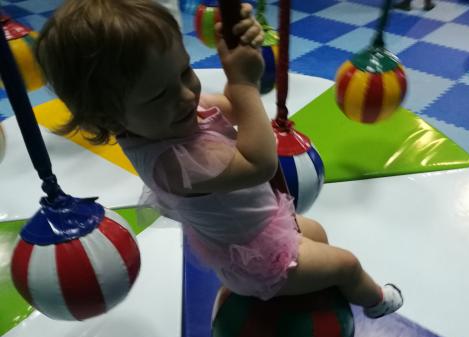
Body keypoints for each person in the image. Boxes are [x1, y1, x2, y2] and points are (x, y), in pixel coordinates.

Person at [34, 0, 403, 318]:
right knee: (346, 264)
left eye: (184, 72)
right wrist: (244, 83)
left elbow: (233, 109)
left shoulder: (162, 118)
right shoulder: (172, 164)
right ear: (108, 119)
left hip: (264, 226)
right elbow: (261, 164)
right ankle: (376, 302)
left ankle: (301, 289)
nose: (186, 95)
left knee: (317, 232)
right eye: (159, 94)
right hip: (257, 259)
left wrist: (239, 56)